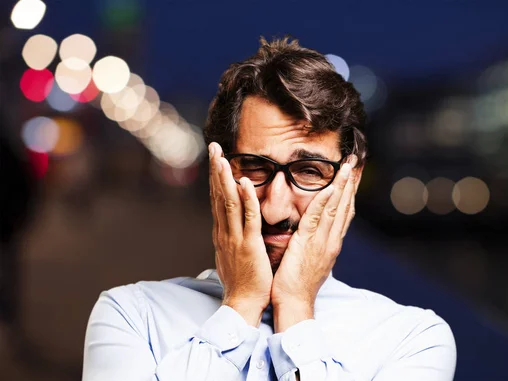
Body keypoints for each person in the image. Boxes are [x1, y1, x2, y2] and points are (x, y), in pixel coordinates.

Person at [82, 37, 456, 381]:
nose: (275, 209)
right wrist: (241, 304)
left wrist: (295, 309)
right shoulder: (130, 316)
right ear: (219, 177)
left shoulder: (412, 341)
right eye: (255, 167)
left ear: (350, 182)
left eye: (309, 171)